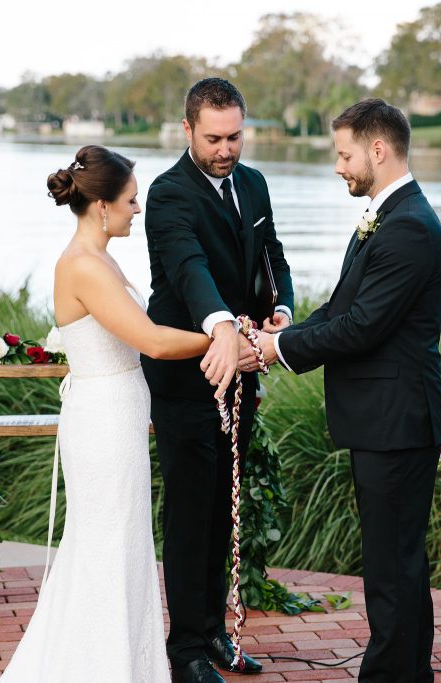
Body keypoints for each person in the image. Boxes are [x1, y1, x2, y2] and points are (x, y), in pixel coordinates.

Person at [251, 98, 441, 683]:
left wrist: (275, 352)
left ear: (378, 149)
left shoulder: (409, 227)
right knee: (397, 565)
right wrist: (289, 330)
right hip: (386, 420)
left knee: (392, 568)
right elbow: (343, 307)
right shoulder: (387, 217)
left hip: (397, 420)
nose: (339, 166)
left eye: (345, 154)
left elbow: (363, 328)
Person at [0, 145, 212, 683]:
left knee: (122, 544)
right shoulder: (85, 267)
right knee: (107, 548)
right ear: (101, 206)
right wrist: (223, 337)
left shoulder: (102, 259)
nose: (136, 209)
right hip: (103, 423)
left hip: (116, 416)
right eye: (131, 200)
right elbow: (153, 342)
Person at [143, 77, 294, 683]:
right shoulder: (167, 194)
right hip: (185, 372)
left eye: (235, 136)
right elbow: (188, 267)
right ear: (187, 130)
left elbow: (271, 256)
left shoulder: (254, 183)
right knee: (189, 509)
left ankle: (215, 634)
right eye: (214, 138)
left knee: (225, 507)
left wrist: (281, 314)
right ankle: (184, 652)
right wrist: (224, 327)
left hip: (243, 374)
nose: (226, 149)